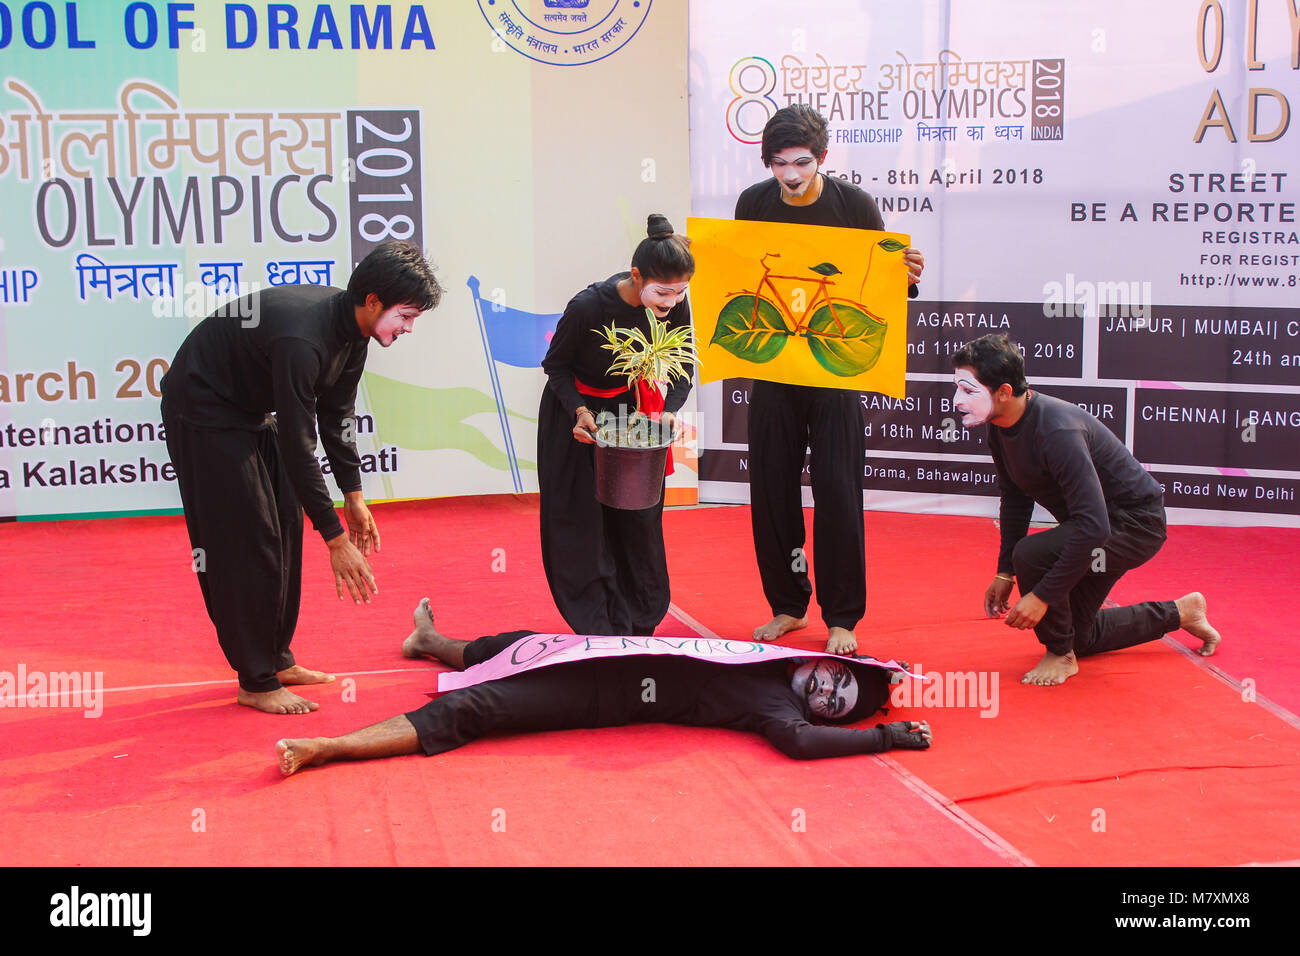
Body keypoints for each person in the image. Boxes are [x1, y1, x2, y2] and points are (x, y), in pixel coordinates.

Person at [161, 241, 442, 715]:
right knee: (250, 541)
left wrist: (353, 497)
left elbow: (337, 418)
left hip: (251, 408)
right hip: (203, 408)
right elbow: (298, 443)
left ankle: (277, 658)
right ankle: (255, 679)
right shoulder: (303, 339)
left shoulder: (355, 333)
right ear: (373, 301)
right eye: (406, 316)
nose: (409, 328)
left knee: (287, 529)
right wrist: (334, 538)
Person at [275, 599, 932, 774]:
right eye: (840, 681)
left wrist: (883, 738)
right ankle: (431, 642)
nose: (826, 692)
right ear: (842, 664)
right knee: (517, 645)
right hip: (608, 652)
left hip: (602, 697)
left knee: (478, 706)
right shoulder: (772, 654)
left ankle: (333, 745)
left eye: (834, 707)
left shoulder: (775, 707)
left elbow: (800, 744)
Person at [735, 105, 925, 656]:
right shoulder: (754, 202)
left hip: (835, 368)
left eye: (800, 162)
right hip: (775, 362)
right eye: (778, 163)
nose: (790, 175)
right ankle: (788, 606)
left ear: (822, 157)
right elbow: (742, 275)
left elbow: (879, 286)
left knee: (839, 489)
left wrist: (906, 275)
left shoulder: (854, 205)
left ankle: (842, 615)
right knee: (771, 487)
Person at [951, 334, 1222, 685]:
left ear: (1003, 391)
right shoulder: (1000, 427)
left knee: (1032, 554)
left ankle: (1060, 655)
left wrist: (1042, 596)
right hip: (1094, 526)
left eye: (968, 390)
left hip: (1134, 526)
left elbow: (1095, 527)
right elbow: (1016, 497)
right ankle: (1182, 611)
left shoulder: (1056, 430)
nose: (957, 400)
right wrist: (1005, 573)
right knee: (1080, 634)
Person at [538, 214, 694, 636]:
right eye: (662, 292)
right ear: (636, 275)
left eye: (681, 292)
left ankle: (640, 617)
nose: (672, 302)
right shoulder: (588, 305)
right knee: (581, 521)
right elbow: (555, 367)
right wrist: (579, 412)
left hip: (629, 414)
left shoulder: (674, 303)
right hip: (576, 416)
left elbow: (682, 367)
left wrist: (669, 411)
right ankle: (598, 624)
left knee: (636, 516)